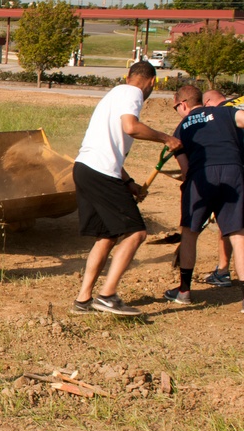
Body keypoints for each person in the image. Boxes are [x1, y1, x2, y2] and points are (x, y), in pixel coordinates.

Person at [70, 61, 182, 316]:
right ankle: (107, 295)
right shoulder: (132, 93)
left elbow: (108, 148)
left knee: (108, 236)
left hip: (85, 168)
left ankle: (83, 299)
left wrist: (129, 183)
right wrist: (167, 138)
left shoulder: (112, 96)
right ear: (152, 81)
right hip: (100, 172)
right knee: (136, 233)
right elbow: (131, 127)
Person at [163, 85, 244, 308]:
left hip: (201, 174)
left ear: (183, 104)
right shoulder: (224, 111)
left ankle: (184, 292)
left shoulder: (180, 130)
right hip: (233, 170)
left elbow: (185, 170)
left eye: (175, 108)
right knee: (238, 235)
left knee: (189, 233)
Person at [196, 89, 239, 287]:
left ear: (208, 103)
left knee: (230, 222)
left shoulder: (221, 114)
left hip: (233, 172)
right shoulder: (238, 103)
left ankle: (223, 271)